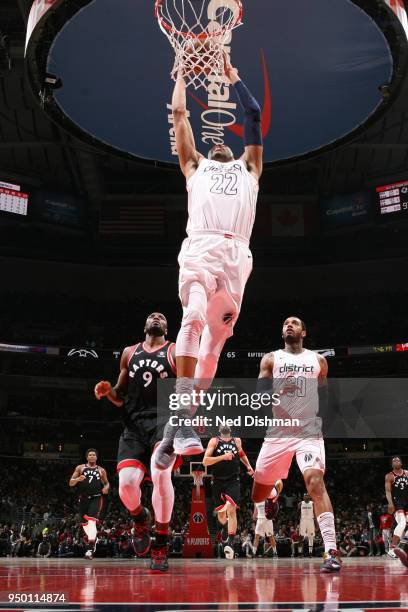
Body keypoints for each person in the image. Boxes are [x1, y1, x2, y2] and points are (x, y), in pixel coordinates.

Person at [155, 52, 263, 470]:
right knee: (192, 320)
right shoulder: (193, 165)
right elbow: (180, 113)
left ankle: (174, 429)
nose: (219, 143)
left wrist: (235, 77)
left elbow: (252, 111)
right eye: (212, 141)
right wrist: (180, 75)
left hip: (237, 254)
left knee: (214, 346)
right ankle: (182, 425)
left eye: (224, 142)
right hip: (199, 247)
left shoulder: (250, 166)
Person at [252, 316, 341, 572]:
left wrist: (319, 421)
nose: (289, 325)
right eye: (285, 323)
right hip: (278, 434)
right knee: (257, 494)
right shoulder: (271, 359)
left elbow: (324, 396)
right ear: (282, 333)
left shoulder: (318, 361)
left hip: (308, 432)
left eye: (294, 323)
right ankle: (271, 496)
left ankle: (331, 551)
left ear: (304, 331)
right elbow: (258, 398)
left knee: (315, 482)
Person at [94, 312, 179, 572]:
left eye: (161, 317)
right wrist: (109, 392)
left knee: (161, 474)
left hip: (164, 423)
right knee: (126, 486)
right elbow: (120, 395)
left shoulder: (175, 351)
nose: (156, 318)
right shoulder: (129, 353)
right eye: (152, 316)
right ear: (145, 326)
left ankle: (161, 543)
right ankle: (140, 518)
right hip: (133, 426)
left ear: (166, 327)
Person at [203, 425, 254, 559]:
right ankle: (226, 529)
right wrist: (223, 457)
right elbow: (205, 461)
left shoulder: (237, 441)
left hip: (233, 480)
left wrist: (248, 466)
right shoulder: (214, 441)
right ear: (219, 430)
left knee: (231, 510)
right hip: (218, 481)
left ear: (230, 430)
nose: (225, 425)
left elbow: (242, 454)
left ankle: (230, 543)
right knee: (221, 516)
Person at [69, 448, 109, 559]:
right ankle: (92, 539)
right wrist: (78, 479)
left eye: (94, 455)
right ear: (87, 457)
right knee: (85, 524)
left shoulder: (101, 470)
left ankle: (90, 549)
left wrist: (106, 488)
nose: (92, 456)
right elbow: (71, 483)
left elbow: (106, 483)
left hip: (96, 498)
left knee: (91, 522)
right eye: (90, 455)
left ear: (96, 457)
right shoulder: (80, 468)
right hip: (83, 499)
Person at [385, 456, 408, 559]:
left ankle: (403, 547)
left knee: (405, 526)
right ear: (392, 464)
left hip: (407, 502)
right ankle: (391, 548)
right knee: (402, 523)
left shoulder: (407, 473)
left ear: (401, 463)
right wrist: (390, 503)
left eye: (398, 460)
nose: (396, 461)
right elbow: (388, 491)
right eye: (394, 461)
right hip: (397, 503)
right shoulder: (389, 476)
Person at [298, 493, 315, 558]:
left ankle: (310, 553)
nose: (306, 496)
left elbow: (315, 513)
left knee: (311, 537)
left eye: (307, 495)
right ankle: (300, 553)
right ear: (303, 497)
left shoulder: (312, 503)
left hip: (311, 520)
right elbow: (297, 513)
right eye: (305, 495)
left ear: (309, 496)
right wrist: (297, 523)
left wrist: (316, 523)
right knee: (301, 537)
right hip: (303, 521)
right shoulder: (300, 503)